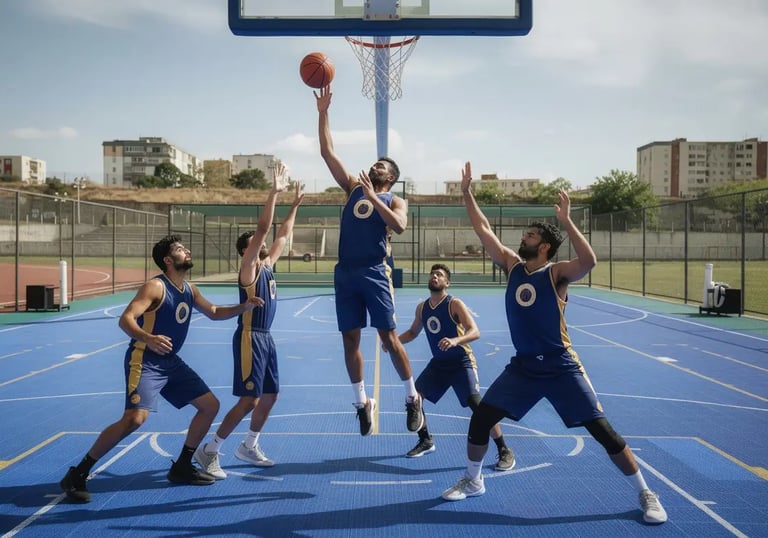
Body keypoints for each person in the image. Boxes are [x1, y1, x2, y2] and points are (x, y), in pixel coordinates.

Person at [441, 162, 668, 525]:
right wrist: (467, 192)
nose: (523, 237)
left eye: (530, 235)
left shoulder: (557, 273)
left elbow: (589, 261)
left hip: (561, 365)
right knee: (482, 417)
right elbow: (483, 228)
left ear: (544, 246)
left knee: (603, 432)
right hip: (525, 366)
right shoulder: (512, 266)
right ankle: (474, 479)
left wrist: (567, 221)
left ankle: (646, 492)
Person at [59, 234, 264, 503]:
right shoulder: (155, 287)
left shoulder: (189, 289)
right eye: (180, 249)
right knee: (135, 419)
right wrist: (148, 337)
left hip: (170, 362)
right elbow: (126, 319)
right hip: (145, 359)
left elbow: (213, 311)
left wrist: (244, 306)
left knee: (209, 406)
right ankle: (78, 473)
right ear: (168, 260)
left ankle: (182, 466)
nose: (187, 251)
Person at [315, 85, 422, 436]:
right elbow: (327, 151)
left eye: (382, 165)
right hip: (345, 274)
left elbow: (400, 227)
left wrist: (375, 197)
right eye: (374, 163)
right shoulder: (352, 187)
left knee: (389, 338)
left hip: (375, 273)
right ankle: (362, 402)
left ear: (389, 177)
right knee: (349, 340)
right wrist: (323, 113)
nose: (374, 165)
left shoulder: (394, 199)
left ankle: (411, 398)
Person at [195, 168, 304, 478]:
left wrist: (294, 205)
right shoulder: (249, 270)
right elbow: (264, 227)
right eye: (258, 242)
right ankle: (210, 449)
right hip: (249, 336)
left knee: (270, 396)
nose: (266, 242)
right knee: (249, 399)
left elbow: (282, 234)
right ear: (248, 249)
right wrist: (274, 193)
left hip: (265, 337)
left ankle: (249, 445)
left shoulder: (268, 266)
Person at [390, 263, 516, 470]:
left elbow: (474, 331)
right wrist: (393, 342)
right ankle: (425, 440)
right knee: (415, 397)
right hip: (440, 364)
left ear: (447, 283)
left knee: (478, 406)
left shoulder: (454, 304)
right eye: (432, 274)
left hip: (461, 362)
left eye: (439, 275)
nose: (434, 276)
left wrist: (456, 340)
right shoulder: (422, 307)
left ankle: (504, 449)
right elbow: (413, 332)